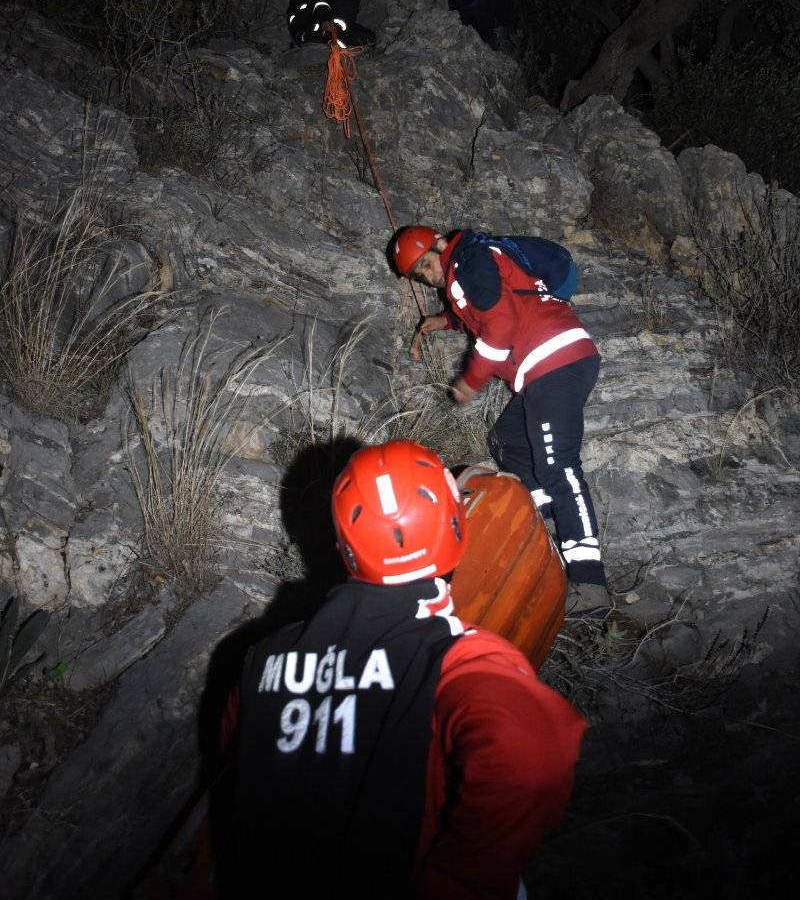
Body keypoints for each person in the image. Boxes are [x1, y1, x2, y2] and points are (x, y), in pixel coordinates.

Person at [221, 439, 586, 899]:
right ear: (456, 524)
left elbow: (237, 773)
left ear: (342, 546)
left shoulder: (262, 659)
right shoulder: (459, 659)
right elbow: (535, 756)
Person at [392, 226, 609, 615]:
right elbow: (485, 309)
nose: (427, 276)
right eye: (419, 275)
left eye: (425, 264)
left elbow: (502, 326)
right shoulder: (468, 271)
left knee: (557, 462)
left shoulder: (471, 260)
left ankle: (590, 579)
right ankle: (546, 531)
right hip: (542, 369)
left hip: (555, 359)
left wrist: (470, 381)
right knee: (507, 440)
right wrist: (444, 321)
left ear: (440, 244)